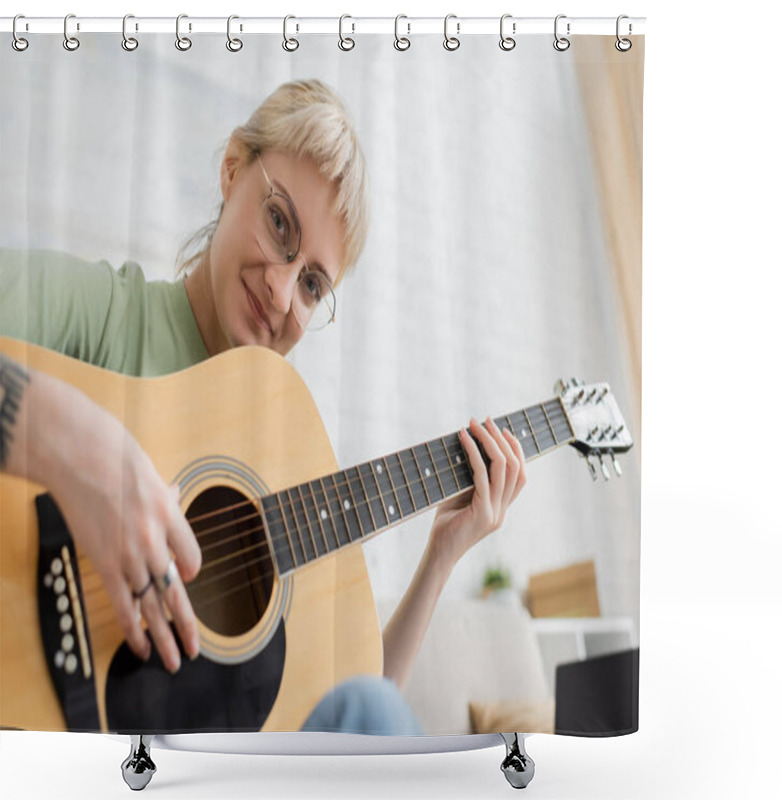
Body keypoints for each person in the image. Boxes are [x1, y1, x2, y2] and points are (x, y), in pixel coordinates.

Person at [0, 79, 527, 735]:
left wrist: (442, 556)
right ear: (231, 170)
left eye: (312, 284)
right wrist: (72, 446)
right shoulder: (100, 316)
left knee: (376, 711)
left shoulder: (287, 460)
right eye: (279, 222)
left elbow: (350, 712)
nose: (281, 293)